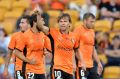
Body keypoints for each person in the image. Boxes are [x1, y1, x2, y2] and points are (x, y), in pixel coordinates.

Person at [36, 13, 85, 79]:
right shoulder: (53, 33)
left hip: (69, 70)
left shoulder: (74, 36)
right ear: (58, 23)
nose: (63, 23)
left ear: (69, 23)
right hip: (57, 68)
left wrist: (82, 62)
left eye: (65, 21)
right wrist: (38, 16)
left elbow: (77, 50)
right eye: (61, 21)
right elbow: (41, 27)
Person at [13, 12, 52, 79]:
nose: (44, 23)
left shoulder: (43, 35)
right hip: (29, 70)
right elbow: (16, 52)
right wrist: (29, 61)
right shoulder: (25, 35)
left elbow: (49, 52)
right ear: (35, 22)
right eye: (41, 21)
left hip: (41, 70)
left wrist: (46, 52)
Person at [74, 13, 103, 79]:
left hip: (90, 64)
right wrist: (82, 62)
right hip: (80, 65)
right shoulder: (78, 30)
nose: (93, 24)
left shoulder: (92, 32)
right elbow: (75, 49)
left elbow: (93, 49)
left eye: (93, 22)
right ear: (84, 21)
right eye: (91, 22)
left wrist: (98, 62)